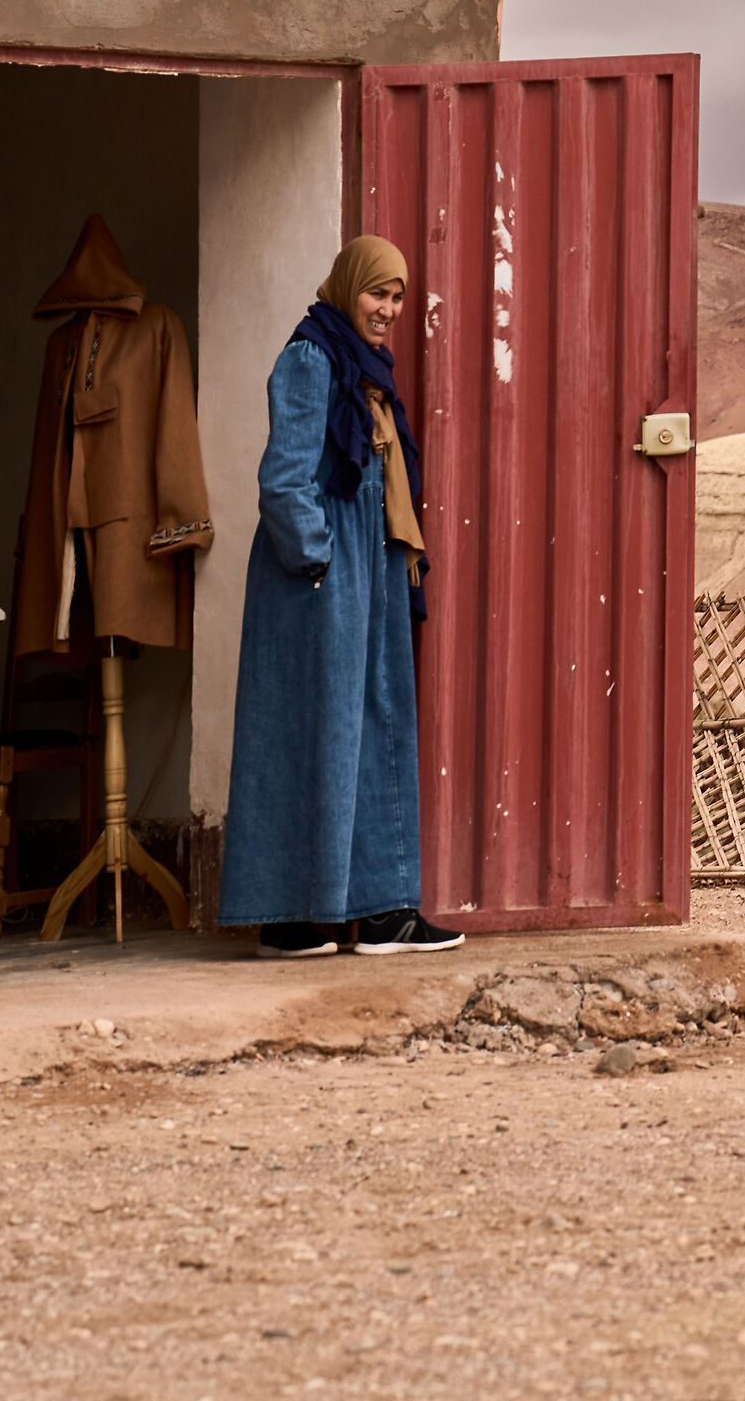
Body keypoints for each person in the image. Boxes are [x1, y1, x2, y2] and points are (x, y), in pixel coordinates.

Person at [219, 236, 462, 957]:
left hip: (370, 564)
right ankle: (289, 917)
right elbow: (286, 482)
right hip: (321, 575)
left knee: (371, 725)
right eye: (377, 293)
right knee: (306, 732)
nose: (386, 309)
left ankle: (381, 911)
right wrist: (320, 562)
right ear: (347, 287)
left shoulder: (364, 368)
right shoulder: (311, 358)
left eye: (396, 297)